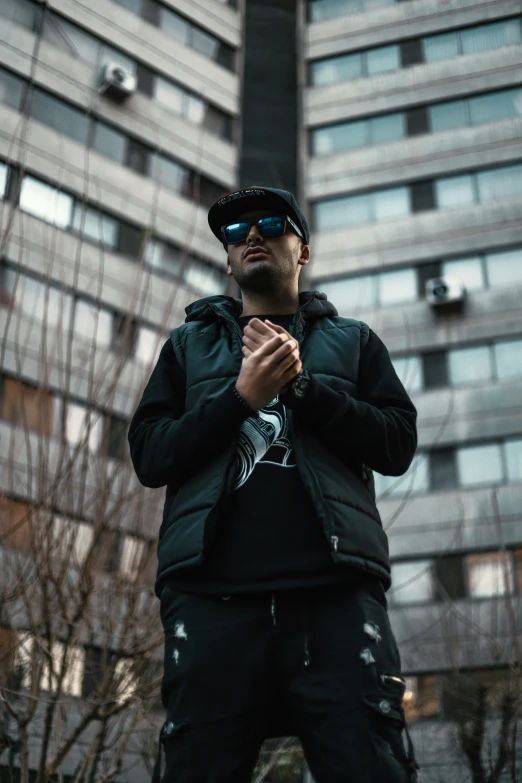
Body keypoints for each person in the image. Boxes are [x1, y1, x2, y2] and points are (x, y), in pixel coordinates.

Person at [128, 186, 420, 783]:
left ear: (302, 250)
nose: (251, 236)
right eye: (235, 233)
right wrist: (242, 398)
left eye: (269, 224)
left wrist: (304, 390)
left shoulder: (354, 341)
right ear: (229, 261)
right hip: (211, 604)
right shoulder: (188, 347)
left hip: (336, 601)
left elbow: (397, 443)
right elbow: (151, 454)